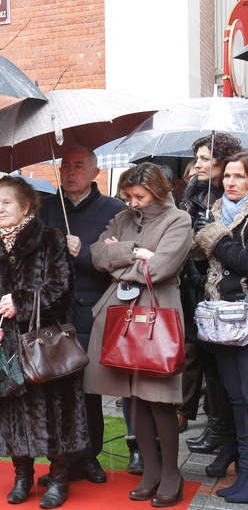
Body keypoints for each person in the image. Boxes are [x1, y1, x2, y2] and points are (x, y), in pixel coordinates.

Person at [0, 175, 88, 508]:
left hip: (43, 345)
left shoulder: (51, 240)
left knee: (54, 413)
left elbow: (61, 288)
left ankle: (59, 477)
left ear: (26, 206)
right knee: (10, 413)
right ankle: (21, 476)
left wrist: (21, 301)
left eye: (6, 202)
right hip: (5, 346)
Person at [86, 163, 192, 507]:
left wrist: (126, 261)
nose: (133, 202)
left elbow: (161, 268)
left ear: (158, 192)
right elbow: (98, 254)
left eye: (140, 196)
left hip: (156, 314)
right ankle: (150, 472)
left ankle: (171, 474)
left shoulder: (178, 220)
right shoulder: (124, 218)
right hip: (123, 315)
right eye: (128, 196)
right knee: (134, 398)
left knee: (159, 399)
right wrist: (134, 252)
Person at [39, 145, 125, 484]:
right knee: (56, 390)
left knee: (89, 390)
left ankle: (90, 457)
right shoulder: (45, 209)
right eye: (65, 166)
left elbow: (118, 260)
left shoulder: (113, 210)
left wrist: (83, 253)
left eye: (78, 166)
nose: (70, 172)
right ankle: (61, 459)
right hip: (53, 314)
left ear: (94, 172)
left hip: (92, 312)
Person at [180, 133, 242, 462]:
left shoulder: (234, 199)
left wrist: (214, 233)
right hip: (198, 288)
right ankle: (218, 430)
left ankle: (224, 434)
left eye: (205, 159)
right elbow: (184, 236)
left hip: (231, 298)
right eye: (198, 158)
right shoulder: (197, 195)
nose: (198, 165)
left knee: (229, 374)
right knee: (209, 363)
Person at [192, 152, 248, 503]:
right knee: (231, 397)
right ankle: (240, 468)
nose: (230, 182)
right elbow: (203, 262)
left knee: (245, 398)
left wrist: (214, 238)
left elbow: (243, 261)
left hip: (245, 320)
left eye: (239, 176)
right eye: (227, 176)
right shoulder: (211, 213)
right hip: (219, 320)